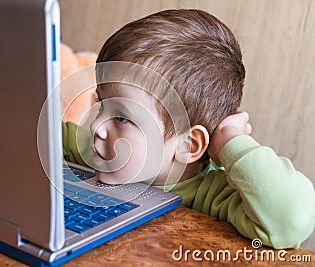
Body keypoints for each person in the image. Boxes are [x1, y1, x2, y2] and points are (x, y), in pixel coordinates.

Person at [62, 9, 315, 249]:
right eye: (100, 103)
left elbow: (292, 217)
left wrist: (231, 141)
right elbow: (45, 134)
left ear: (188, 145)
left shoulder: (212, 195)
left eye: (121, 117)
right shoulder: (94, 149)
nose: (97, 126)